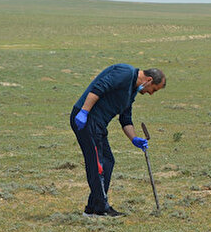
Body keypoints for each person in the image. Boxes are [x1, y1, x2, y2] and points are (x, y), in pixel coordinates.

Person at [70, 64, 166, 217]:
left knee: (107, 161)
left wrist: (134, 139)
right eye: (153, 89)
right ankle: (100, 209)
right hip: (87, 120)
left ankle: (93, 207)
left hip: (98, 125)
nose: (151, 94)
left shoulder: (132, 91)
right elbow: (98, 88)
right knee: (97, 164)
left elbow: (125, 118)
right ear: (149, 80)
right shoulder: (125, 73)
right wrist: (83, 112)